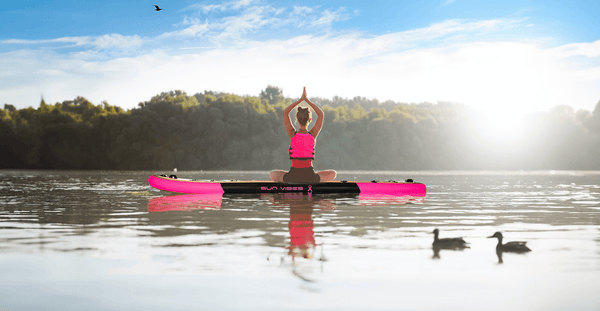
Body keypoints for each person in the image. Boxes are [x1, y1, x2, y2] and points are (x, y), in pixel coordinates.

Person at [270, 88, 337, 182]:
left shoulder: (292, 134)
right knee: (333, 173)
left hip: (293, 176)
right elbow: (321, 114)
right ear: (309, 120)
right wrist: (307, 100)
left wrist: (300, 100)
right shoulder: (312, 135)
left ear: (296, 119)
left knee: (272, 174)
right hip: (310, 177)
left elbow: (285, 112)